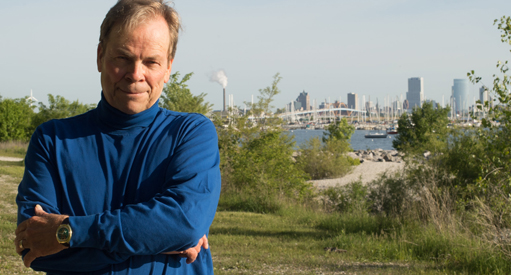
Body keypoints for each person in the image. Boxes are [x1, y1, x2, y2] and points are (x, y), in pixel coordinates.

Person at [14, 0, 221, 274]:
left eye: (151, 62)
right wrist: (160, 242)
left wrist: (67, 232)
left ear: (168, 67)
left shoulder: (191, 133)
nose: (135, 75)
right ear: (100, 56)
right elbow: (35, 248)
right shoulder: (53, 140)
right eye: (123, 58)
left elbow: (184, 224)